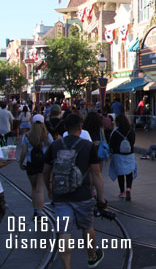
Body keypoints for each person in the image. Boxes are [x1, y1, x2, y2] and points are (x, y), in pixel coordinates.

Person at [42, 113, 106, 269]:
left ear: (65, 128)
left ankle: (67, 266)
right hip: (83, 194)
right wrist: (101, 198)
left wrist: (49, 188)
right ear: (80, 127)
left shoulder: (55, 145)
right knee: (87, 227)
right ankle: (91, 257)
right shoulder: (88, 146)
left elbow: (46, 171)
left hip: (61, 195)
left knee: (64, 232)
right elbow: (96, 173)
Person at [19, 114, 53, 219]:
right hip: (43, 164)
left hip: (31, 163)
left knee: (33, 188)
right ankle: (40, 211)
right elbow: (52, 148)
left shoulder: (27, 135)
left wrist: (21, 162)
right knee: (40, 188)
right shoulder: (47, 135)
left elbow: (24, 151)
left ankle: (35, 210)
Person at [107, 114, 137, 201]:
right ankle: (129, 188)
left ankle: (122, 191)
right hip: (129, 154)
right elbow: (133, 142)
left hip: (118, 155)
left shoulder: (115, 132)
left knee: (120, 174)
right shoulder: (131, 131)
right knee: (128, 173)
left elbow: (111, 144)